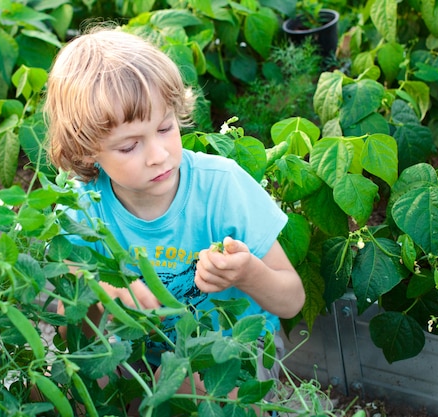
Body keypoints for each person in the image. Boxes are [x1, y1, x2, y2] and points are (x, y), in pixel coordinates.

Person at [43, 25, 306, 402]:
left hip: (234, 352)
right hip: (137, 354)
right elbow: (75, 316)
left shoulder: (221, 187)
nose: (158, 154)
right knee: (68, 365)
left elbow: (292, 299)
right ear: (86, 151)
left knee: (193, 391)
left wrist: (248, 273)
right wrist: (102, 291)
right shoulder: (83, 205)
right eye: (129, 146)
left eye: (165, 128)